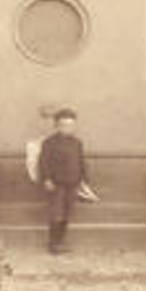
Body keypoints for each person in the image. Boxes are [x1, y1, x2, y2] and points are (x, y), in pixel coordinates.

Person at [37, 108, 88, 254]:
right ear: (56, 126)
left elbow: (81, 161)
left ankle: (62, 241)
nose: (67, 128)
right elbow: (43, 162)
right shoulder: (49, 143)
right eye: (63, 125)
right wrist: (46, 179)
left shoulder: (77, 143)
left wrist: (83, 179)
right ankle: (53, 243)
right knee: (56, 214)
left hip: (73, 183)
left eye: (70, 125)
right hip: (56, 184)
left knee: (67, 213)